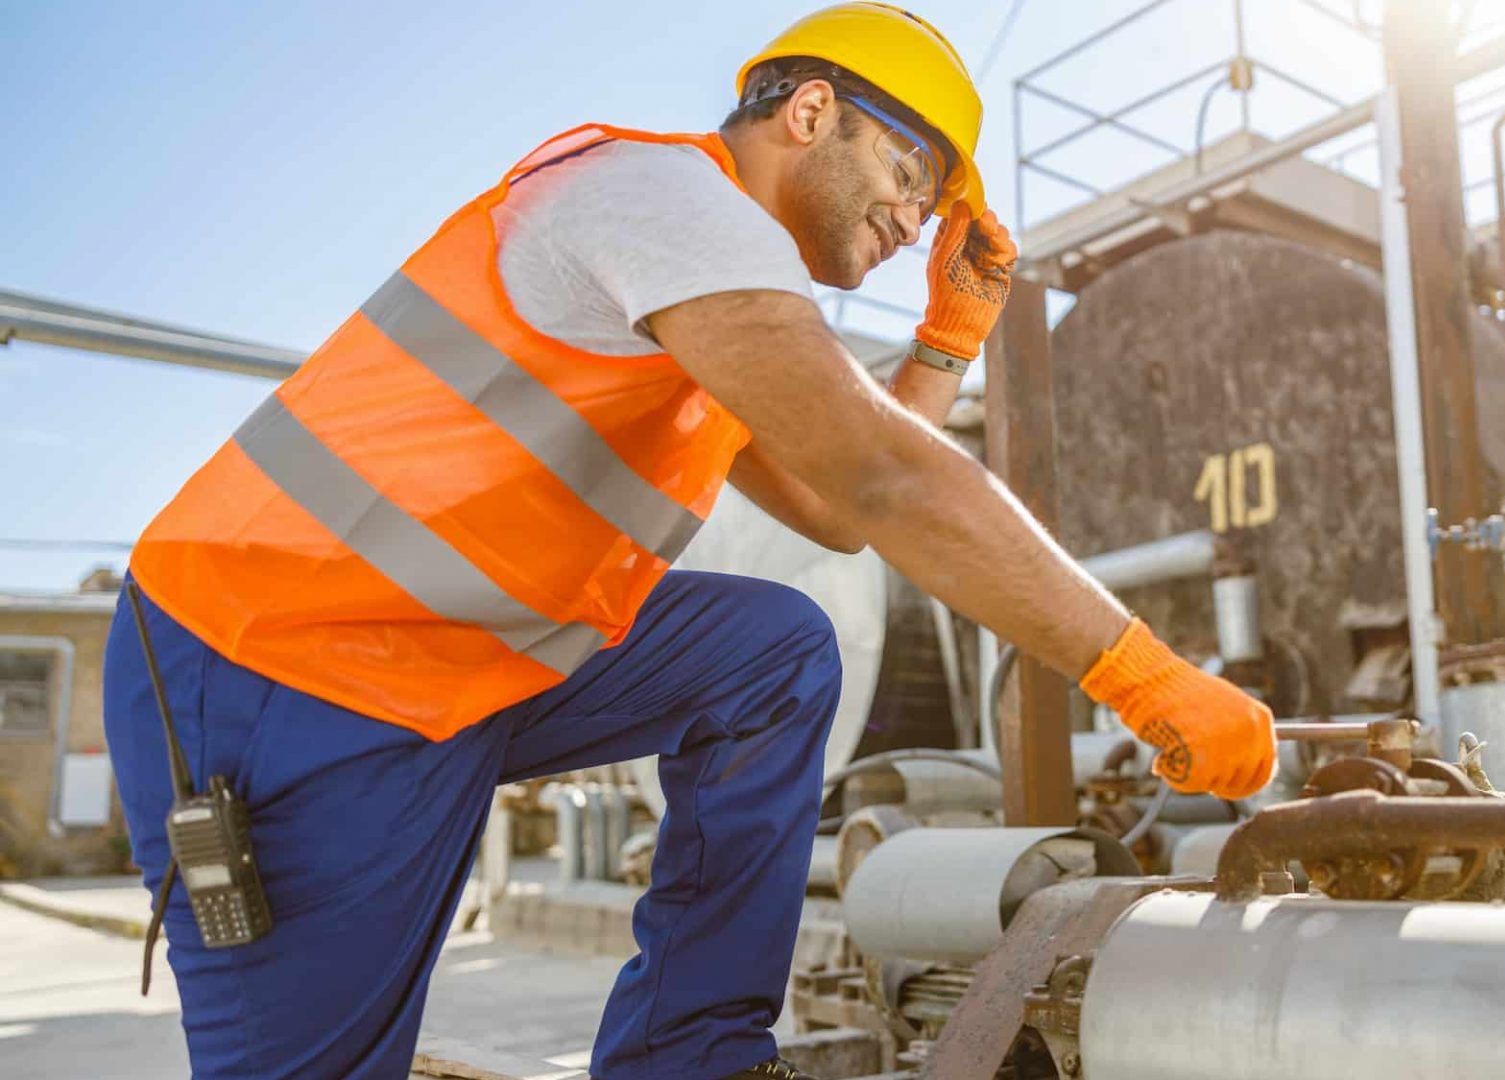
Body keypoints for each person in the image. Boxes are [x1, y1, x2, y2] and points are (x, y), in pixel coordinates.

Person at [103, 4, 1278, 1078]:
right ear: (810, 111)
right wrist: (1142, 675)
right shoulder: (660, 199)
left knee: (769, 654)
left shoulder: (711, 299)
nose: (919, 220)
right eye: (910, 171)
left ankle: (689, 1056)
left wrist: (944, 341)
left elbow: (829, 509)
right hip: (278, 668)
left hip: (462, 663)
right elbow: (875, 475)